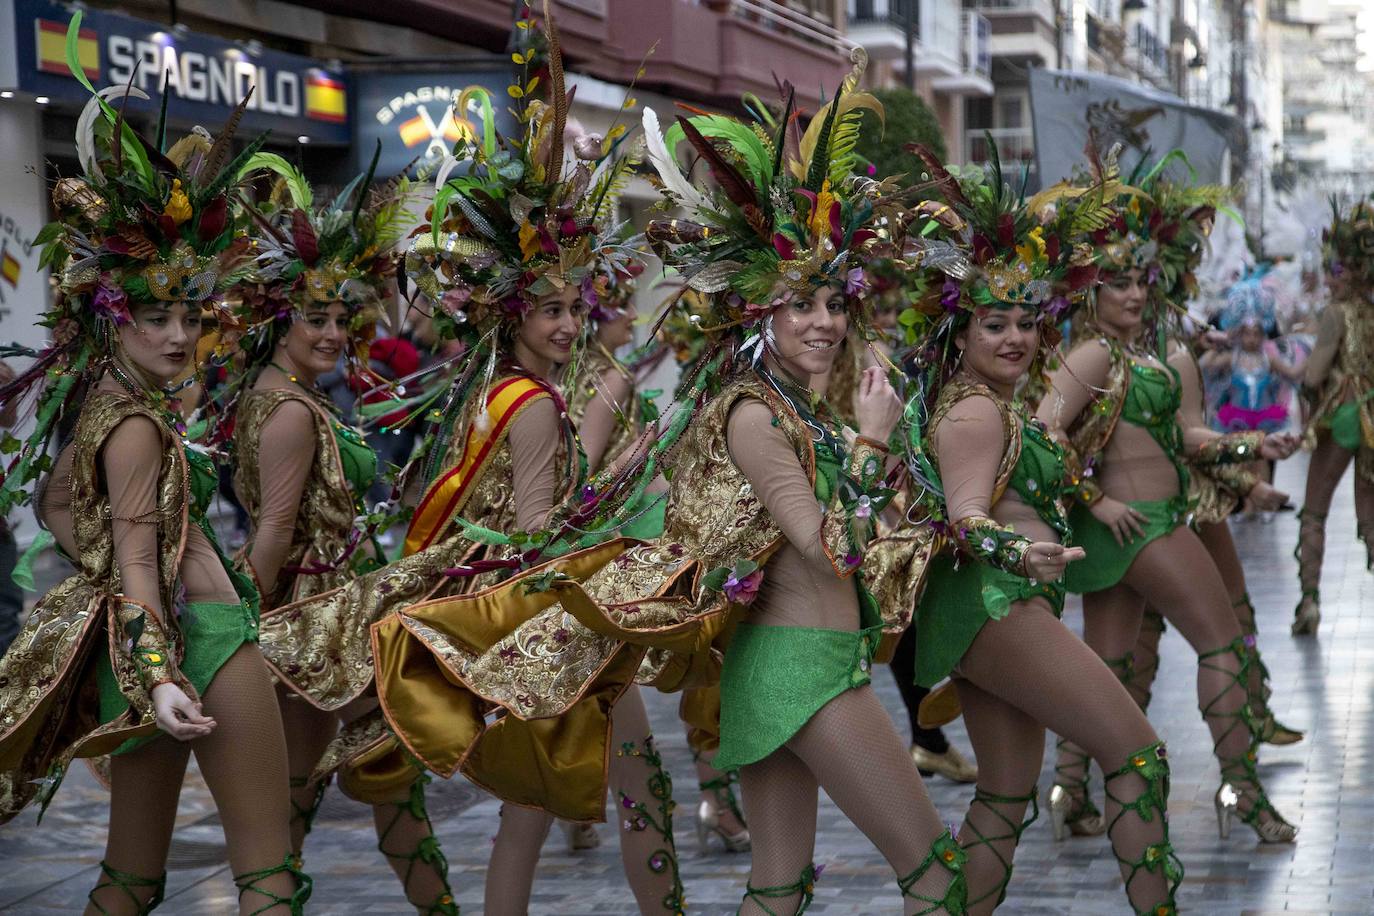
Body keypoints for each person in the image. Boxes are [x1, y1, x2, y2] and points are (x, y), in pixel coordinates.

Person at [371, 49, 971, 914]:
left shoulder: (790, 408)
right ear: (758, 310)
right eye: (801, 303)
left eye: (836, 300)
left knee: (773, 887)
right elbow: (832, 546)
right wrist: (874, 445)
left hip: (792, 659)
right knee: (930, 877)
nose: (826, 321)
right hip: (791, 667)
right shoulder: (753, 413)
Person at [0, 31, 308, 911]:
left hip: (134, 649)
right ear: (110, 318)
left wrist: (123, 606)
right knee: (269, 877)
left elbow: (58, 499)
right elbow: (137, 554)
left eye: (185, 312)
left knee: (130, 878)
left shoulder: (101, 401)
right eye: (150, 316)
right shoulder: (133, 421)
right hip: (202, 642)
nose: (176, 335)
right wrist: (165, 667)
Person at [898, 146, 1179, 913]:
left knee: (1005, 796)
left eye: (1026, 321)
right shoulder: (976, 408)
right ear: (959, 334)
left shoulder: (999, 402)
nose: (1016, 337)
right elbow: (965, 518)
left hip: (993, 604)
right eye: (994, 324)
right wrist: (1021, 549)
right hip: (997, 600)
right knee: (1139, 757)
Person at [1038, 164, 1300, 844]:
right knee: (1225, 648)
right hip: (1141, 526)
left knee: (1113, 666)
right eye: (1115, 282)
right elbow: (1040, 434)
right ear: (1088, 291)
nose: (1131, 293)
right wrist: (1092, 500)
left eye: (1139, 279)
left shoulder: (1156, 357)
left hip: (1138, 528)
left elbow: (1189, 437)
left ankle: (1070, 783)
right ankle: (1241, 789)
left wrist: (1254, 447)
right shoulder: (1093, 355)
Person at [224, 159, 459, 914]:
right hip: (315, 625)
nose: (332, 332)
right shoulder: (290, 411)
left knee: (368, 785)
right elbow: (271, 535)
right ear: (275, 320)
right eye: (314, 319)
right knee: (326, 795)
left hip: (328, 619)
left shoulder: (277, 396)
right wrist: (234, 636)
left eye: (338, 318)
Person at [1291, 196, 1374, 635]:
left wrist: (1305, 385)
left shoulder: (1335, 314)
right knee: (1371, 513)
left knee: (1315, 511)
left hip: (1343, 416)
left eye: (1336, 269)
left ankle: (1309, 602)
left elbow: (1314, 373)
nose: (1329, 279)